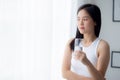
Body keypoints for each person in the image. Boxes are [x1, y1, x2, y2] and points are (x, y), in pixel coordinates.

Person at [62, 4, 110, 80]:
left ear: (95, 22)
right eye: (78, 19)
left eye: (85, 19)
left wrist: (87, 63)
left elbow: (99, 77)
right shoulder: (71, 42)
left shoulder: (102, 46)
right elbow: (65, 73)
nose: (80, 23)